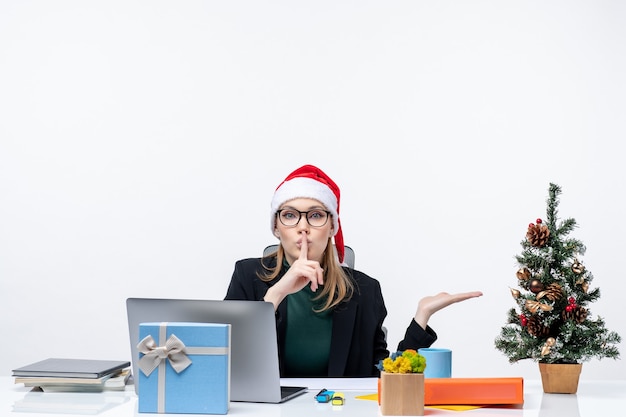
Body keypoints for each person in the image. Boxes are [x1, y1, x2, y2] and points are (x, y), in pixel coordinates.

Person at [225, 164, 482, 377]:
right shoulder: (248, 276)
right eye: (290, 215)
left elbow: (382, 377)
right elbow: (227, 360)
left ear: (332, 227)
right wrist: (277, 293)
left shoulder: (365, 290)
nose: (303, 227)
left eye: (315, 215)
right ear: (276, 227)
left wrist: (421, 318)